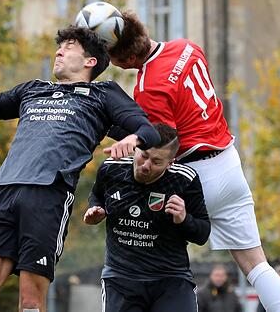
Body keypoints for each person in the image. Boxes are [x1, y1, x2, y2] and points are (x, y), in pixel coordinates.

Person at [0, 26, 160, 312]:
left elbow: (151, 131)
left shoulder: (103, 94)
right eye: (60, 46)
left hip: (48, 196)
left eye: (69, 47)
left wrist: (134, 138)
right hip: (3, 192)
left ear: (90, 61)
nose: (59, 51)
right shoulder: (32, 90)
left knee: (30, 302)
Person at [107, 11, 280, 312]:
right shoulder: (187, 47)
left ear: (126, 60)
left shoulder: (148, 87)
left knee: (152, 259)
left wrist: (115, 129)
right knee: (256, 264)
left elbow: (161, 144)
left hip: (192, 175)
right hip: (229, 164)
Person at [84, 123, 210, 312]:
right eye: (143, 156)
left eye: (157, 162)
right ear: (136, 149)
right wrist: (95, 209)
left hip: (171, 280)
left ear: (170, 163)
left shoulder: (185, 179)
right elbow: (97, 196)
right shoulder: (111, 169)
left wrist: (184, 219)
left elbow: (202, 234)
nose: (146, 165)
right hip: (121, 280)